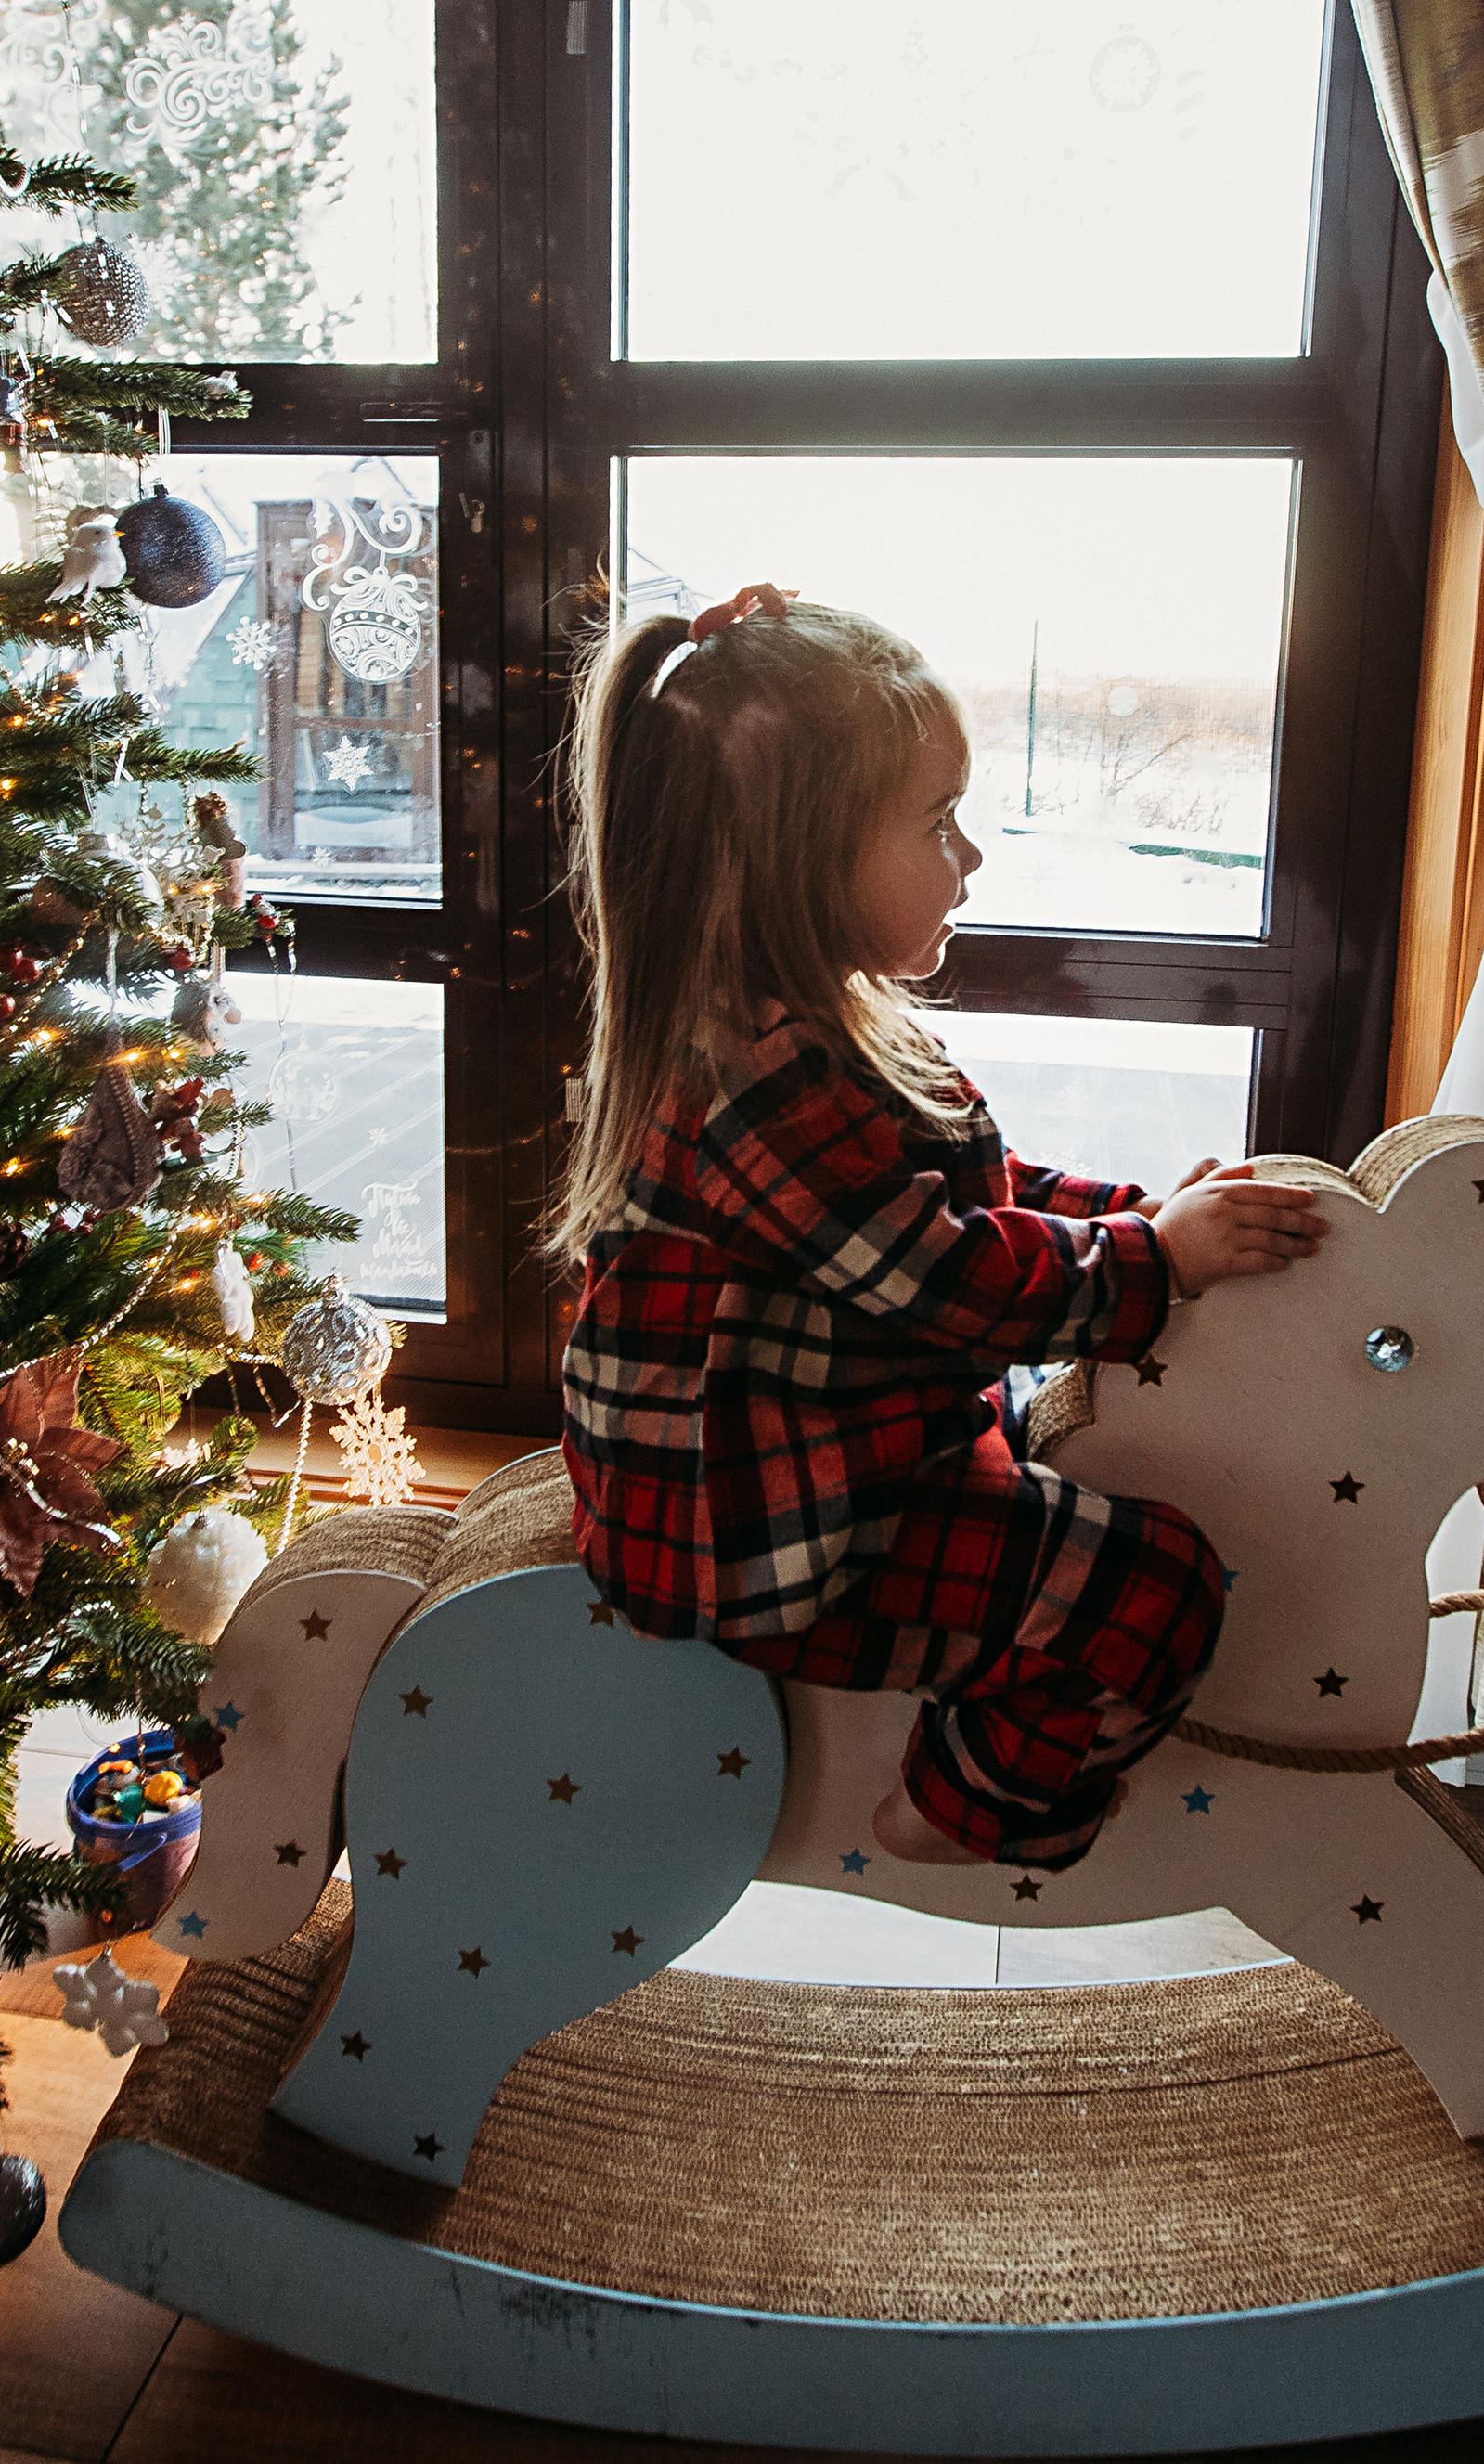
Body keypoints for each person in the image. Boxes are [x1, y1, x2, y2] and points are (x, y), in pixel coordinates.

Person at [555, 584, 1327, 1874]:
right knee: (1161, 1589)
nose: (969, 859)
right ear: (792, 856)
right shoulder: (752, 1075)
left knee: (1079, 1473)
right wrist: (1158, 1263)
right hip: (760, 1536)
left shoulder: (821, 1021)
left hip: (846, 1451)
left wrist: (1143, 1220)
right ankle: (963, 1810)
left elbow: (975, 1192)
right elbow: (947, 1276)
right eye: (936, 823)